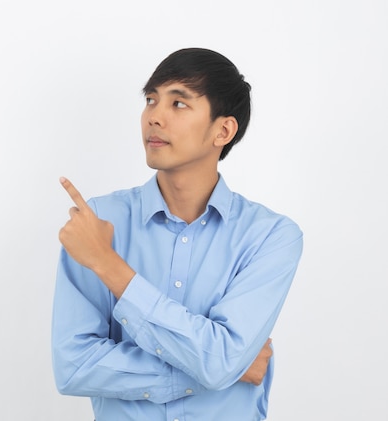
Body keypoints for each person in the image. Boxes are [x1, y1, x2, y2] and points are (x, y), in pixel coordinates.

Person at [51, 47, 303, 421]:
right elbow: (72, 366)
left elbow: (221, 362)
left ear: (223, 130)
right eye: (151, 100)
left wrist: (108, 264)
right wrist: (225, 370)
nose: (154, 116)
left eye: (178, 103)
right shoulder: (99, 220)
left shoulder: (271, 237)